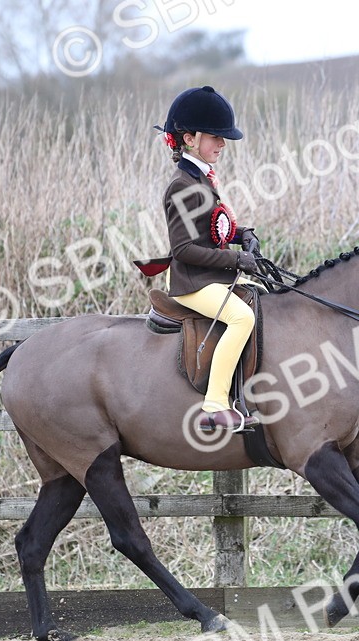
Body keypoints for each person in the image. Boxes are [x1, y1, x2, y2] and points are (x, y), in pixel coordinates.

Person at [157, 86, 262, 432]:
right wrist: (235, 262)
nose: (222, 144)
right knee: (241, 318)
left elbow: (211, 229)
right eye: (215, 137)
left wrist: (240, 234)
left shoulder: (201, 177)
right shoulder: (182, 185)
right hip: (193, 284)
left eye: (223, 138)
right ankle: (215, 405)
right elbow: (184, 250)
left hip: (211, 277)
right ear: (189, 138)